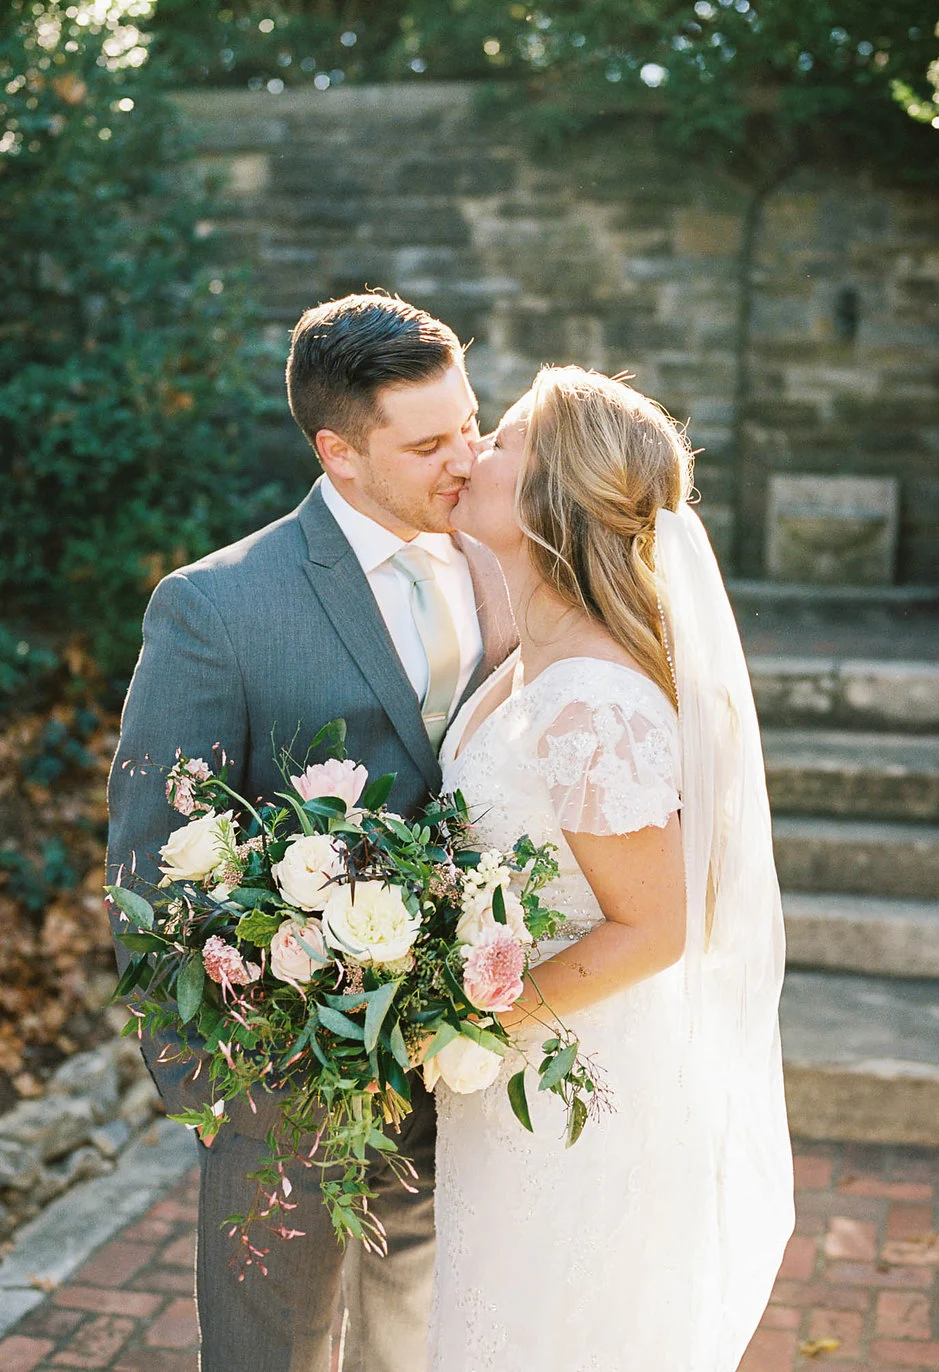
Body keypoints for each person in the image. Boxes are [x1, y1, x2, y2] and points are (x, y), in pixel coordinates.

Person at [105, 293, 516, 1372]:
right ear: (338, 452)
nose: (465, 459)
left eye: (470, 423)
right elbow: (151, 863)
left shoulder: (502, 567)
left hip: (469, 1083)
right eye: (428, 442)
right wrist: (225, 1097)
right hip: (290, 1092)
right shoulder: (214, 609)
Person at [429, 366, 795, 1371]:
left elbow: (655, 925)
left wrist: (468, 1019)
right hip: (516, 1076)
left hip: (571, 1093)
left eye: (499, 441)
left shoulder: (591, 694)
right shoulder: (528, 657)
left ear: (550, 493)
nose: (471, 456)